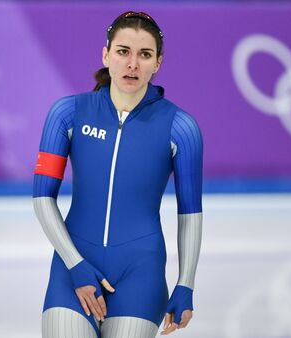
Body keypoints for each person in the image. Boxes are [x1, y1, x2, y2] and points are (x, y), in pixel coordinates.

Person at [33, 11, 203, 338]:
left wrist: (186, 284)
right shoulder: (67, 114)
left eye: (145, 54)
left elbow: (190, 214)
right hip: (73, 267)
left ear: (158, 63)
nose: (133, 64)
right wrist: (75, 264)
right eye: (123, 51)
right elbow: (42, 197)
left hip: (140, 274)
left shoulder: (181, 128)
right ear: (106, 54)